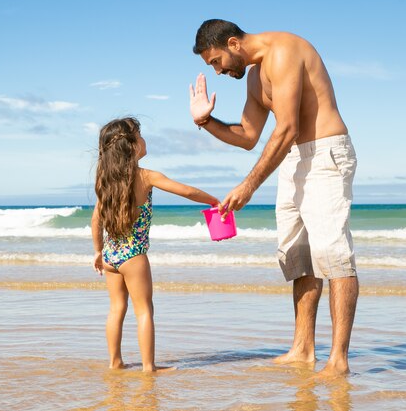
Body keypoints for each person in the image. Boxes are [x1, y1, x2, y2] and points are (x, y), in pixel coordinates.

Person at [189, 19, 358, 378]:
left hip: (325, 153)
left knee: (334, 254)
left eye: (216, 61)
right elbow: (249, 135)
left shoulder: (283, 52)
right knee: (298, 255)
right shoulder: (254, 76)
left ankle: (339, 360)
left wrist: (249, 186)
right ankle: (303, 348)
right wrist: (206, 122)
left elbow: (288, 128)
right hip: (292, 157)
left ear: (233, 43)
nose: (217, 71)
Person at [91, 116, 219, 373]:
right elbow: (186, 191)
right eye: (140, 135)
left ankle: (115, 362)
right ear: (131, 145)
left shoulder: (106, 179)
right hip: (134, 256)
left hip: (111, 254)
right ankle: (149, 367)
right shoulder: (146, 176)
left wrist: (97, 251)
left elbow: (96, 220)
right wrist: (214, 200)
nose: (144, 139)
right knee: (144, 310)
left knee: (116, 308)